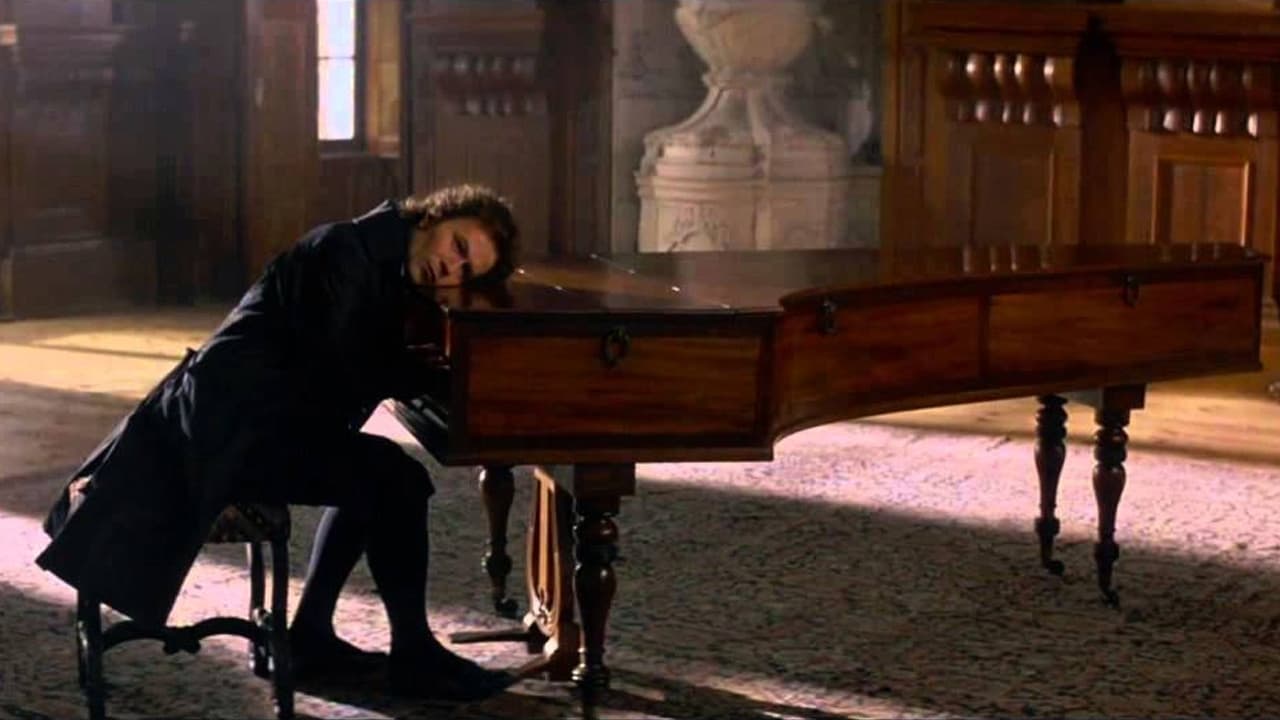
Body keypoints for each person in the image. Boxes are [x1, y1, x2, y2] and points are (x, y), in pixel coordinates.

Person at [35, 184, 520, 701]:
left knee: (379, 473)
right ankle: (410, 654)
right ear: (432, 218)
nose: (450, 269)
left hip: (261, 421)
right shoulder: (342, 251)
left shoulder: (381, 263)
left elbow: (352, 369)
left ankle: (314, 636)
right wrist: (432, 378)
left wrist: (428, 372)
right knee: (394, 478)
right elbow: (347, 367)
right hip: (223, 431)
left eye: (466, 272)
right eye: (458, 246)